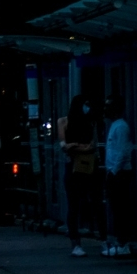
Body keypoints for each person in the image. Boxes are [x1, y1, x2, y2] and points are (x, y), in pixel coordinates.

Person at [57, 95, 100, 256]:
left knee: (93, 201)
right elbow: (64, 146)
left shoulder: (90, 122)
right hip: (73, 167)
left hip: (87, 166)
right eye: (85, 104)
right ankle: (75, 242)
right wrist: (78, 146)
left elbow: (92, 146)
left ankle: (101, 238)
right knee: (73, 205)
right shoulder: (63, 121)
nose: (86, 108)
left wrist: (74, 146)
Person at [102, 98, 134, 257]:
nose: (105, 109)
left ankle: (123, 242)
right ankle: (121, 241)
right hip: (115, 171)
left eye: (108, 106)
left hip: (119, 173)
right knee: (117, 208)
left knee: (120, 208)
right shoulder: (116, 125)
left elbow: (121, 151)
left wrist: (113, 171)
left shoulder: (120, 127)